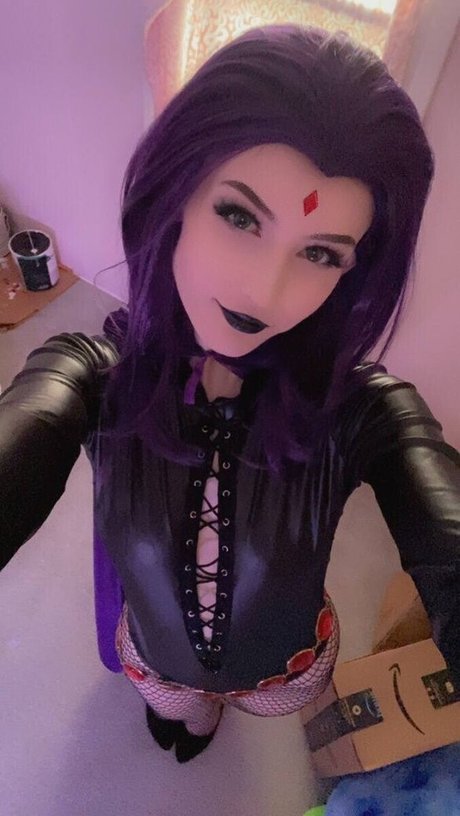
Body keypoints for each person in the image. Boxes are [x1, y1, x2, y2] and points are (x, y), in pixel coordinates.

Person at [1, 24, 459, 766]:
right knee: (181, 712)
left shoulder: (363, 411)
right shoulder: (94, 374)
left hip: (286, 675)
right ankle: (194, 716)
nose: (264, 291)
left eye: (321, 253)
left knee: (239, 706)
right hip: (158, 668)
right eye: (240, 216)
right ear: (176, 194)